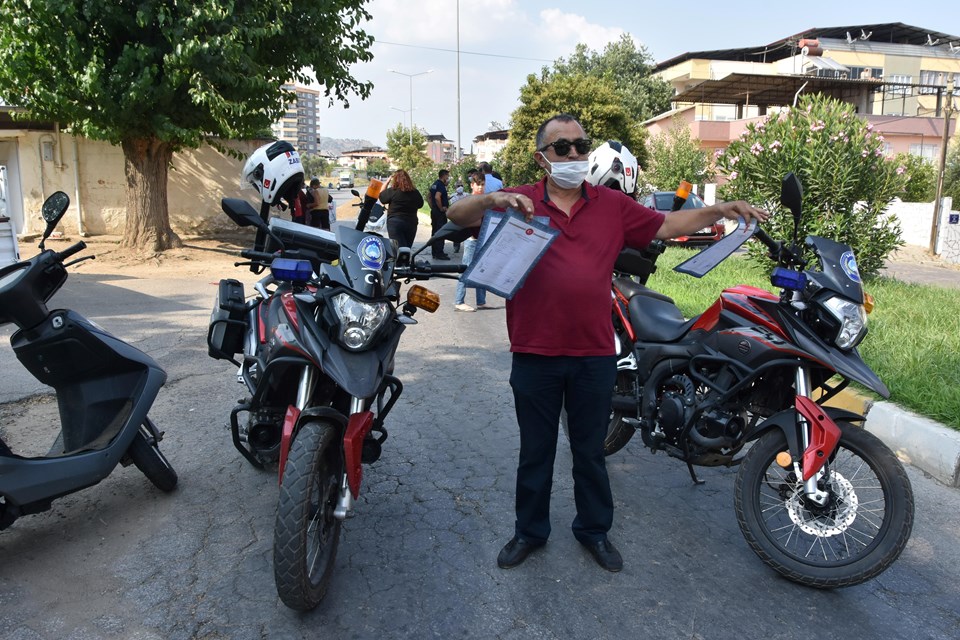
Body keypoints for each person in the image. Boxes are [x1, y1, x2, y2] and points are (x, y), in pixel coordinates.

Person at [447, 113, 768, 573]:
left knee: (589, 452)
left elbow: (664, 224)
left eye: (581, 145)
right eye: (563, 148)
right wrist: (489, 200)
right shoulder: (518, 201)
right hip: (535, 352)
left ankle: (594, 531)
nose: (574, 155)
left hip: (595, 354)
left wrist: (720, 210)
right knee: (535, 451)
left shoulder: (610, 206)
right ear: (543, 157)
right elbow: (455, 214)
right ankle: (529, 532)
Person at [378, 169, 424, 249]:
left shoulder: (392, 191)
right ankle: (406, 261)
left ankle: (399, 261)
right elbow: (420, 205)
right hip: (411, 223)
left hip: (395, 223)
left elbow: (381, 197)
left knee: (398, 250)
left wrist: (387, 181)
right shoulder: (415, 192)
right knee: (407, 248)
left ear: (395, 180)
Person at [428, 169, 451, 260]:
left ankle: (435, 252)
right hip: (440, 213)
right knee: (441, 231)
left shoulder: (435, 184)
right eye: (447, 176)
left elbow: (429, 196)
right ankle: (439, 253)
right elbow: (437, 197)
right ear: (444, 176)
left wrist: (432, 206)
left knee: (434, 231)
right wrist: (441, 208)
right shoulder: (441, 185)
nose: (448, 178)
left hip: (434, 211)